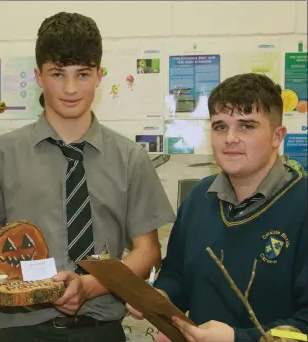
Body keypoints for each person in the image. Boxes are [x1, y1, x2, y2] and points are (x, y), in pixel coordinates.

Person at [0, 11, 175, 342]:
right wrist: (8, 276)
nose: (70, 88)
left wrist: (93, 286)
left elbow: (148, 251)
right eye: (57, 74)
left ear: (99, 75)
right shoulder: (5, 152)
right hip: (19, 328)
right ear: (38, 76)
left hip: (100, 327)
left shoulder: (129, 157)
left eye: (82, 74)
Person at [127, 73, 308, 342]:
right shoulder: (199, 197)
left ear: (277, 136)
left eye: (246, 126)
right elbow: (177, 274)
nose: (230, 138)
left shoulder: (301, 205)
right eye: (220, 126)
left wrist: (239, 338)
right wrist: (161, 296)